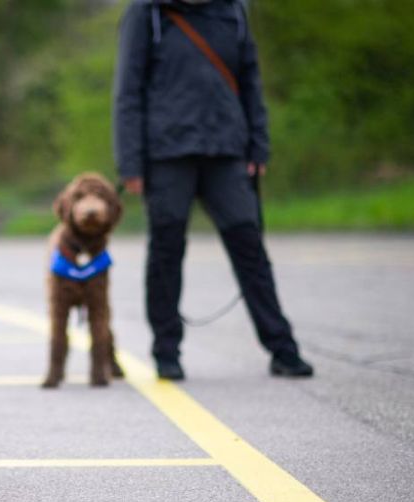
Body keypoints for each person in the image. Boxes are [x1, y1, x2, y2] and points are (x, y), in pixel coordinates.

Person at [113, 0, 313, 380]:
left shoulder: (234, 10)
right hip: (167, 152)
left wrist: (258, 144)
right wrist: (130, 163)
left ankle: (282, 349)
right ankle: (166, 352)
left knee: (249, 245)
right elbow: (128, 90)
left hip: (226, 149)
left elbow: (250, 80)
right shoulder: (147, 13)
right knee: (166, 251)